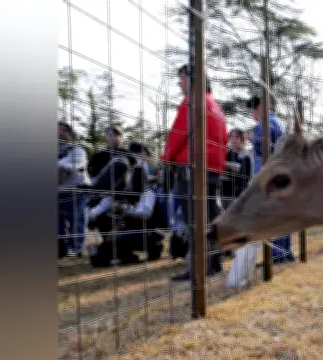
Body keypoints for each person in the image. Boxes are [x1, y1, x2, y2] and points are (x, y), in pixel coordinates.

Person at [162, 63, 228, 281]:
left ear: (192, 79)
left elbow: (179, 133)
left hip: (192, 167)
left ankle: (198, 267)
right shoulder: (216, 107)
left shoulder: (192, 101)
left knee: (193, 219)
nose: (179, 83)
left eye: (181, 78)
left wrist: (167, 159)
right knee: (210, 217)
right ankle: (214, 263)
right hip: (213, 167)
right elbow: (223, 138)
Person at [86, 156, 169, 267]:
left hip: (149, 231)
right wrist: (93, 215)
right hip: (130, 229)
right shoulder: (119, 193)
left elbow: (146, 213)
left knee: (119, 238)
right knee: (105, 221)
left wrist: (124, 209)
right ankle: (120, 254)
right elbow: (98, 210)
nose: (127, 179)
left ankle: (154, 247)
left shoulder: (147, 192)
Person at [247, 94, 295, 265]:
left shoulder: (264, 125)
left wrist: (253, 140)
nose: (252, 115)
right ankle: (285, 252)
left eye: (253, 110)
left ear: (260, 108)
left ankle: (276, 255)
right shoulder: (278, 123)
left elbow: (263, 150)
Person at [58, 121, 91, 258]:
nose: (60, 133)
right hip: (59, 192)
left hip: (76, 191)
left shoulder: (77, 150)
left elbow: (72, 165)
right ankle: (61, 248)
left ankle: (76, 248)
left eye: (63, 130)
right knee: (57, 222)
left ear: (71, 135)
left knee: (77, 221)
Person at [220, 128, 253, 210]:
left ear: (242, 139)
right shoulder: (226, 154)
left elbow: (246, 178)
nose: (233, 139)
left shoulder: (246, 157)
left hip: (239, 195)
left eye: (237, 137)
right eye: (231, 137)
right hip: (225, 192)